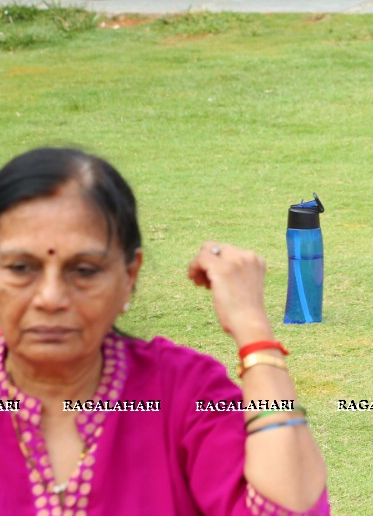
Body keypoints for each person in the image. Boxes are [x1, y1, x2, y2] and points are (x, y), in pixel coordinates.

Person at [0, 148, 329, 514]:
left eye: (85, 270)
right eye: (19, 267)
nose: (50, 298)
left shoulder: (181, 391)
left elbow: (292, 507)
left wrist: (254, 331)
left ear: (129, 276)